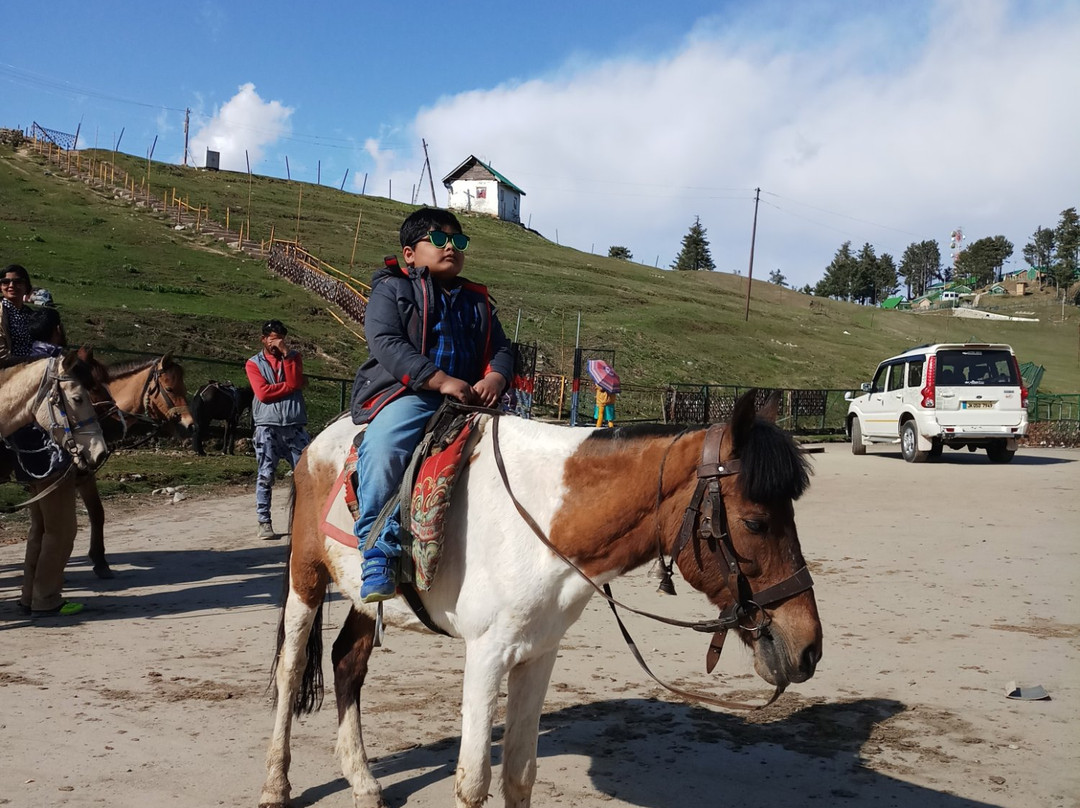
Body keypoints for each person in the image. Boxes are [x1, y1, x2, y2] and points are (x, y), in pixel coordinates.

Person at [350, 207, 513, 602]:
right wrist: (439, 380)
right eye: (438, 240)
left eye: (458, 241)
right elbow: (387, 342)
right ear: (410, 253)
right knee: (386, 446)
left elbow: (503, 348)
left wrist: (495, 376)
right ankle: (377, 548)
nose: (451, 248)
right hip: (412, 394)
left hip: (472, 398)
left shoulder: (476, 300)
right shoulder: (392, 289)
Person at [1, 265, 83, 617]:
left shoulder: (30, 316)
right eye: (5, 282)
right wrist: (41, 362)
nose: (10, 286)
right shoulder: (1, 313)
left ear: (27, 288)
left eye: (17, 282)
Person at [245, 319, 310, 539]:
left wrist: (287, 356)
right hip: (267, 425)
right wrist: (291, 387)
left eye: (280, 338)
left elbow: (293, 378)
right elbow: (262, 393)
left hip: (294, 424)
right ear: (263, 339)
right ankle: (264, 521)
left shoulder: (294, 358)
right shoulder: (253, 363)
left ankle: (304, 522)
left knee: (306, 475)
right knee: (265, 475)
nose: (276, 342)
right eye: (272, 338)